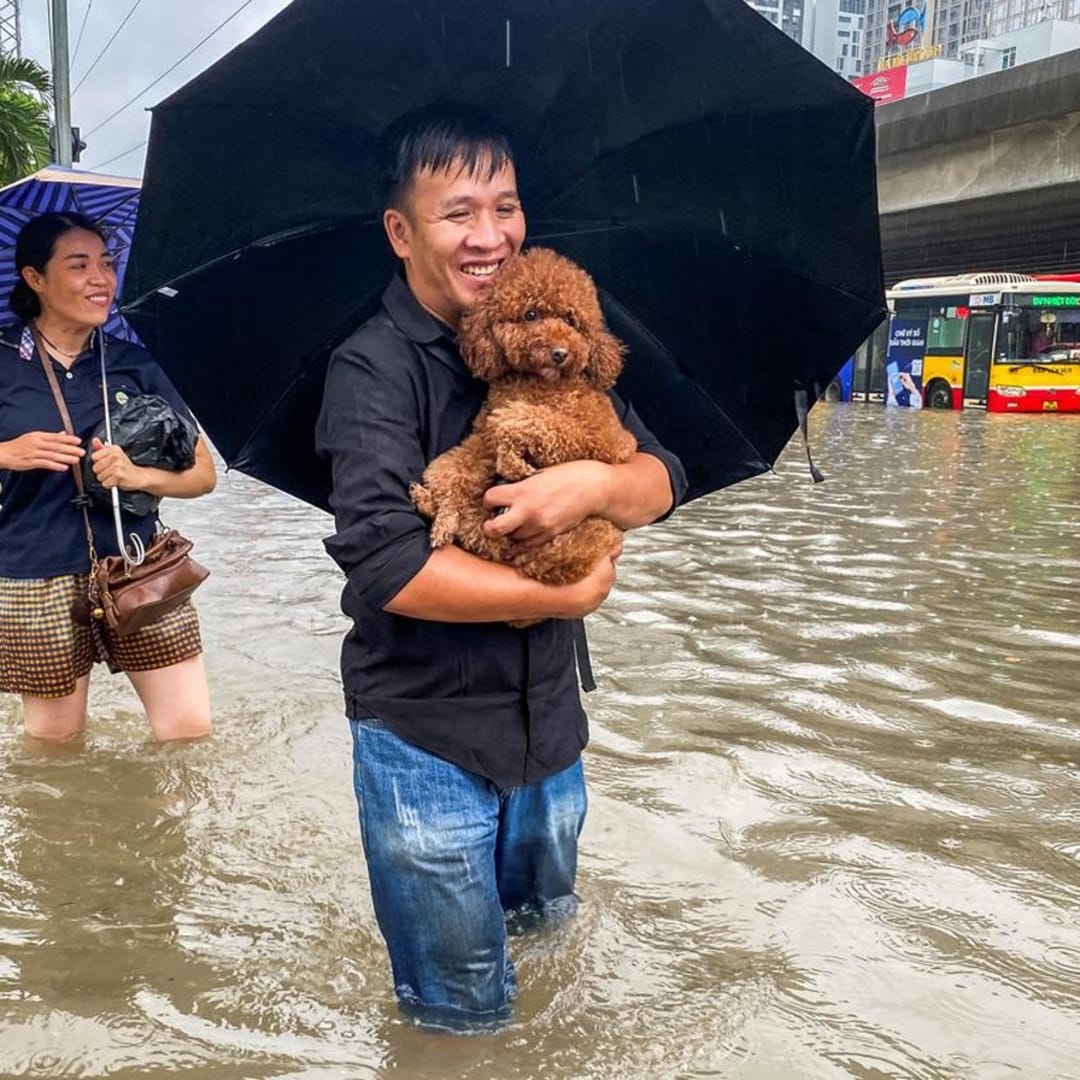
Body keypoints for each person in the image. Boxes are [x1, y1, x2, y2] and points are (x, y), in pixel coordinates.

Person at [315, 104, 687, 1029]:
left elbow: (664, 477)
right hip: (425, 738)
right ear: (401, 231)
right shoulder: (369, 370)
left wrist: (588, 487)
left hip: (551, 732)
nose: (492, 236)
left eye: (508, 207)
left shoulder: (566, 350)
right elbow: (388, 568)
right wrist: (572, 587)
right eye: (459, 213)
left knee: (548, 951)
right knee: (460, 1016)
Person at [0, 212, 216, 742]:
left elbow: (203, 474)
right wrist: (8, 452)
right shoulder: (3, 362)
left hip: (140, 566)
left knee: (188, 733)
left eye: (107, 264)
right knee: (56, 746)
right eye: (79, 266)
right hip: (35, 573)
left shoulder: (133, 363)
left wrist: (139, 473)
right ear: (35, 278)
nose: (100, 279)